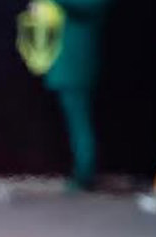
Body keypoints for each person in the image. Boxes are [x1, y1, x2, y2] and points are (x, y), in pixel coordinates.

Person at [43, 0, 114, 190]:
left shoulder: (90, 6)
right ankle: (83, 172)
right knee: (78, 124)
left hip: (77, 69)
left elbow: (79, 6)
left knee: (80, 124)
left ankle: (84, 174)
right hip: (74, 68)